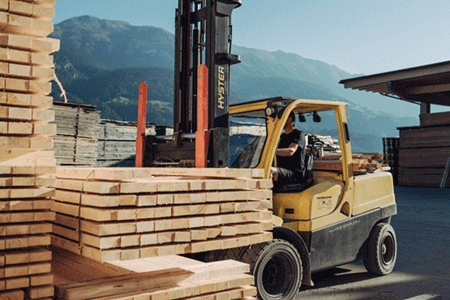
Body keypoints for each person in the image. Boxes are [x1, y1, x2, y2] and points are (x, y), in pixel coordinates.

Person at [271, 112, 306, 187]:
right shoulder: (281, 136)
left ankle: (265, 197)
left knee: (270, 171)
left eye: (281, 118)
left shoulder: (299, 134)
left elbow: (291, 151)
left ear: (289, 119)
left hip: (294, 174)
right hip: (282, 171)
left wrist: (272, 152)